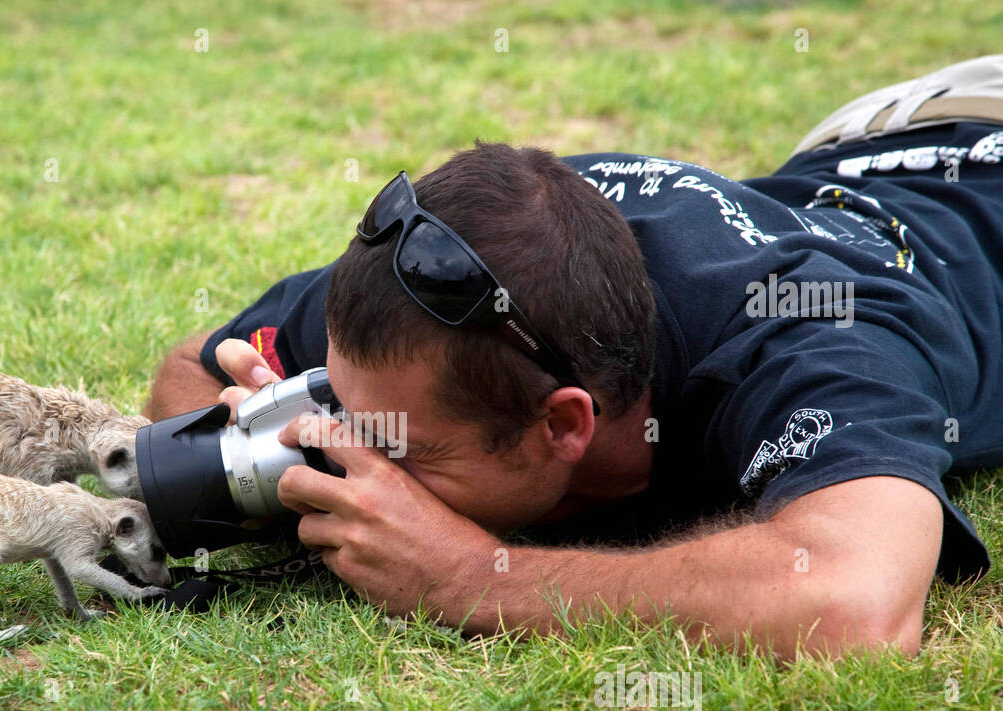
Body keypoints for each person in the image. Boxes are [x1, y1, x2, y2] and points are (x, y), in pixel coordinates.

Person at [144, 56, 1003, 659]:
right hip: (871, 133)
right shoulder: (441, 277)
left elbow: (853, 606)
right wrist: (255, 440)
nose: (351, 449)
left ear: (563, 424)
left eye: (399, 450)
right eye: (337, 406)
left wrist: (471, 577)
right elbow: (195, 366)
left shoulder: (812, 339)